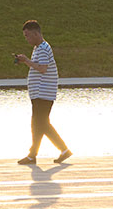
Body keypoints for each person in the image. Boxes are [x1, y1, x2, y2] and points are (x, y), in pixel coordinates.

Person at [11, 19, 72, 165]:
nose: (26, 39)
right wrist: (25, 61)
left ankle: (63, 149)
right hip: (39, 93)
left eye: (27, 35)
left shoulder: (43, 48)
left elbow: (43, 69)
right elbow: (39, 67)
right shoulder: (38, 48)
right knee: (37, 124)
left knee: (41, 124)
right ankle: (33, 155)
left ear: (36, 33)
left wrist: (26, 61)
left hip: (44, 93)